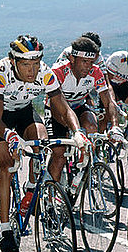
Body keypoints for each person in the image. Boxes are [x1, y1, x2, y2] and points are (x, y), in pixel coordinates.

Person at [0, 35, 88, 252]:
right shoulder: (0, 73)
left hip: (24, 111)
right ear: (13, 61)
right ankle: (5, 230)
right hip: (0, 118)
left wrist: (77, 131)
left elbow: (63, 107)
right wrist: (9, 135)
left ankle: (31, 190)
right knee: (7, 164)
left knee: (41, 141)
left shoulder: (44, 72)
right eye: (25, 64)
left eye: (34, 64)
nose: (31, 71)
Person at [46, 36, 123, 182]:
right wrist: (75, 131)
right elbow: (59, 108)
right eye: (84, 62)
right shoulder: (58, 71)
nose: (88, 67)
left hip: (78, 106)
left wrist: (115, 126)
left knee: (91, 126)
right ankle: (50, 198)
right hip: (57, 109)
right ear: (72, 59)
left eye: (91, 62)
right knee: (59, 156)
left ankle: (83, 166)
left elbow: (108, 101)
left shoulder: (95, 72)